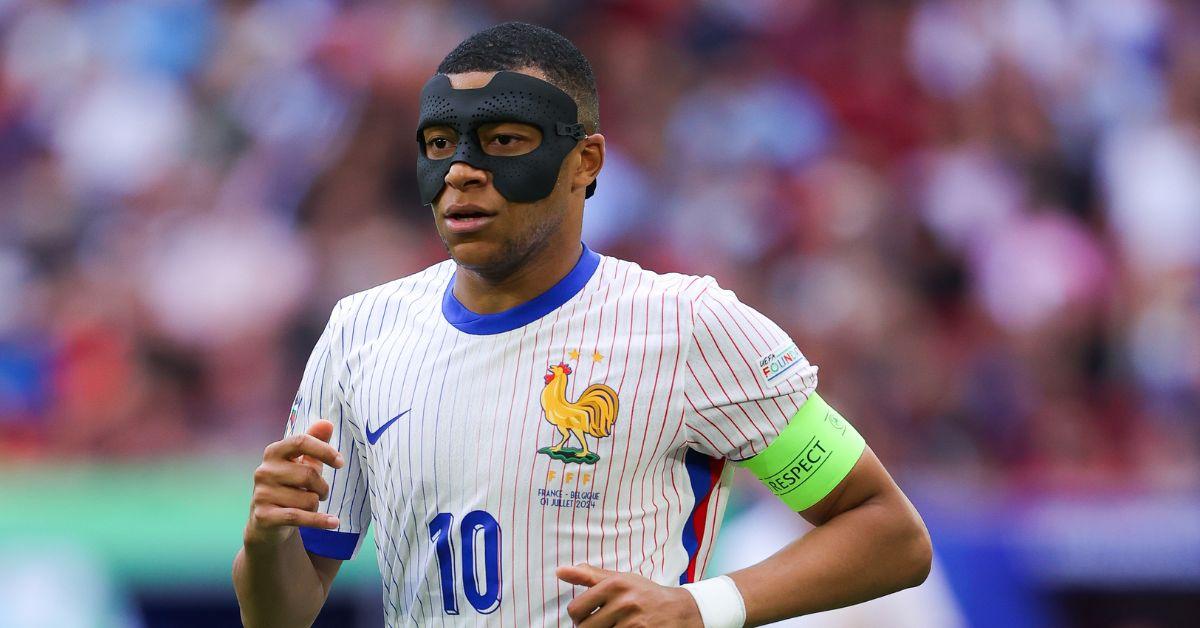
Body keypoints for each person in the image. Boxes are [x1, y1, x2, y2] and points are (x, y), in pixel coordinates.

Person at [233, 21, 932, 628]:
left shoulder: (688, 326)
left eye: (503, 140)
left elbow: (888, 533)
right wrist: (266, 541)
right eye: (441, 143)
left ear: (585, 161)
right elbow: (283, 614)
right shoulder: (361, 332)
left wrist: (698, 608)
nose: (462, 173)